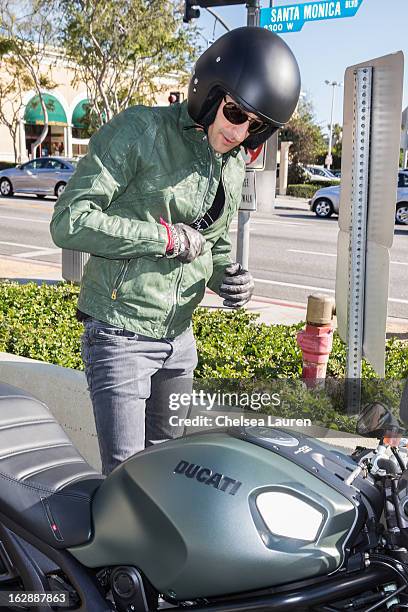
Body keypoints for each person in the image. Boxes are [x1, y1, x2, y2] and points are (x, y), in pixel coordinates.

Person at [50, 26, 301, 475]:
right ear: (208, 92)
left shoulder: (232, 166)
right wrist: (165, 238)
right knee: (126, 479)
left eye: (255, 125)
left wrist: (230, 276)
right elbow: (70, 221)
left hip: (180, 341)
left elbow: (217, 244)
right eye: (234, 113)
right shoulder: (141, 131)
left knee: (166, 473)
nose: (239, 131)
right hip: (121, 331)